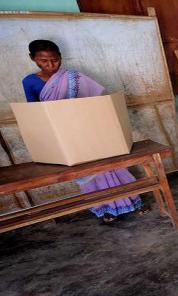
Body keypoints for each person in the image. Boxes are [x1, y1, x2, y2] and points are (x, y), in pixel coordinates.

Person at [21, 39, 147, 223]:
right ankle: (106, 209)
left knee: (112, 167)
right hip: (65, 136)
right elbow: (34, 112)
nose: (50, 65)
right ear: (33, 59)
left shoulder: (74, 78)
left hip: (89, 130)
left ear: (61, 58)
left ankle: (132, 201)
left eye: (55, 60)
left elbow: (94, 103)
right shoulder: (30, 82)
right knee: (87, 174)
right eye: (43, 61)